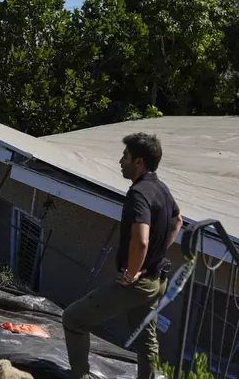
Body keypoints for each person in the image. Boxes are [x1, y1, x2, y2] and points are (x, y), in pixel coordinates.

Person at [62, 132, 183, 379]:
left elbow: (141, 240)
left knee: (73, 318)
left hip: (138, 283)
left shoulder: (138, 194)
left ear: (138, 161)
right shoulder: (161, 188)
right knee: (145, 339)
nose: (120, 161)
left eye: (125, 156)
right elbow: (177, 221)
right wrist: (158, 252)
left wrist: (130, 273)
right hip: (157, 280)